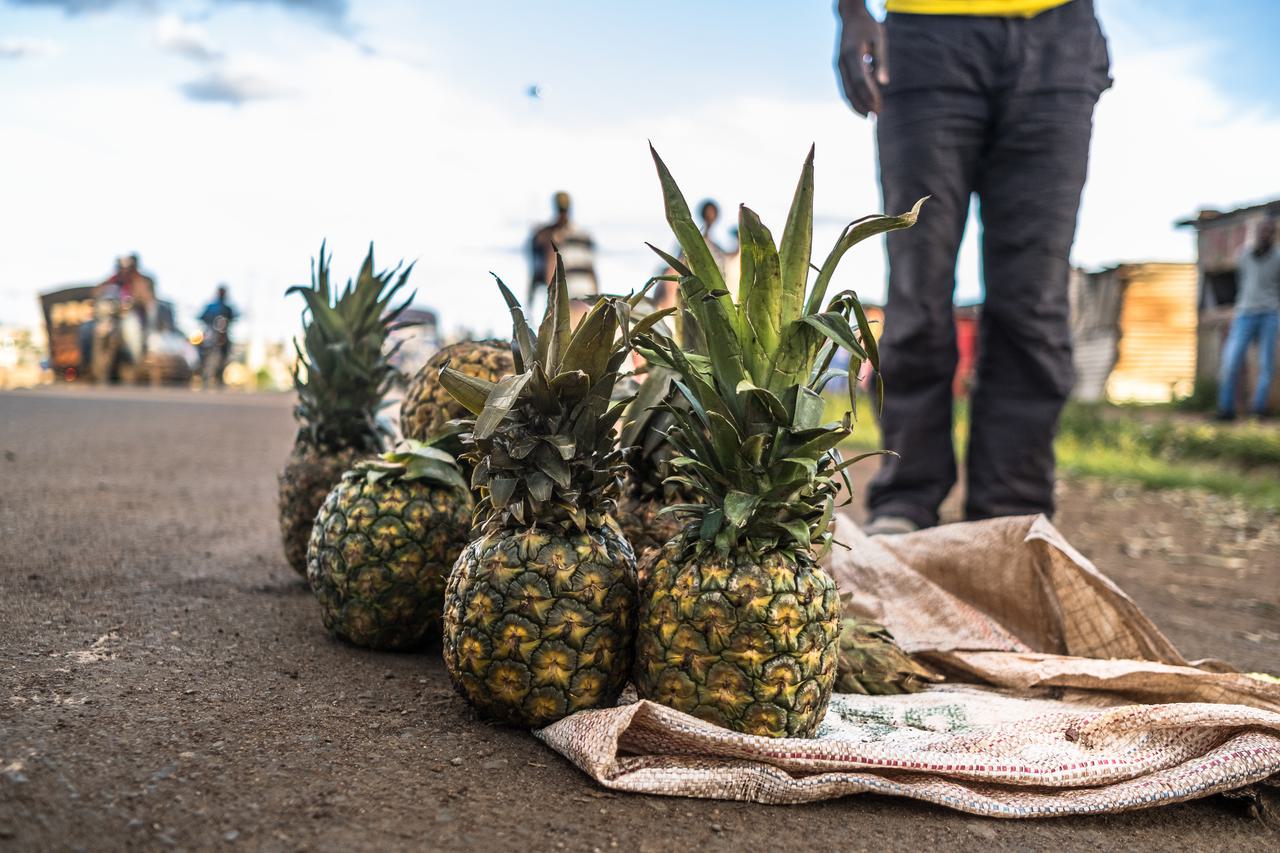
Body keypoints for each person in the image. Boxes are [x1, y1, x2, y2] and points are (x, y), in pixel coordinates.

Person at [835, 0, 1112, 535]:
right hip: (923, 37)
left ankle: (1010, 510)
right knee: (917, 289)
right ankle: (907, 497)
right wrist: (850, 11)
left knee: (1035, 300)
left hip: (1060, 37)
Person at [1217, 217, 1280, 420]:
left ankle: (1258, 410)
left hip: (1269, 313)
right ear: (1256, 233)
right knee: (1231, 361)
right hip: (1244, 313)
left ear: (1274, 234)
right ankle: (1226, 410)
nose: (1266, 235)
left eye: (1270, 231)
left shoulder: (1278, 258)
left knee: (1266, 364)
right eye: (1263, 231)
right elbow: (1235, 282)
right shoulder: (1243, 255)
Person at [527, 192, 598, 320]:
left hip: (574, 296)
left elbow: (549, 267)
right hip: (579, 296)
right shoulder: (581, 235)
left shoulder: (549, 236)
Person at [198, 285, 237, 388]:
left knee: (225, 354)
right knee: (203, 350)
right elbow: (201, 317)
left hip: (223, 334)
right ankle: (204, 376)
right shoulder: (211, 306)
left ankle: (219, 377)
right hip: (210, 333)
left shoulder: (227, 307)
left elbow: (233, 317)